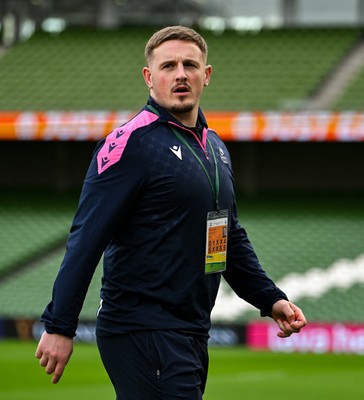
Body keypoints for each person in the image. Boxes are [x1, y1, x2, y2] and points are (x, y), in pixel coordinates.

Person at [35, 25, 306, 399]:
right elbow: (86, 238)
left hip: (191, 328)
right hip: (142, 328)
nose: (180, 74)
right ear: (149, 77)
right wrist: (60, 325)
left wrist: (270, 298)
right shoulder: (129, 145)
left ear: (206, 75)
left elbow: (227, 235)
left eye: (190, 65)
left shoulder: (216, 148)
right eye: (168, 66)